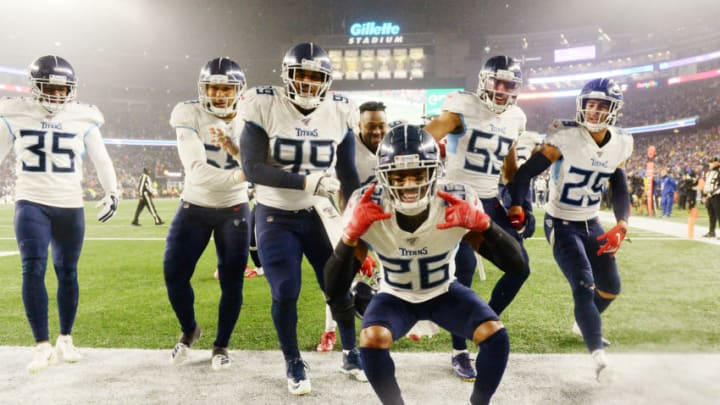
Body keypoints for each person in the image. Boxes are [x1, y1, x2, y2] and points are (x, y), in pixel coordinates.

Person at [323, 125, 525, 405]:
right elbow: (334, 288)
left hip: (444, 292)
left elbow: (516, 266)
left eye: (419, 174)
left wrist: (486, 225)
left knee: (495, 336)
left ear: (435, 172)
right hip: (395, 296)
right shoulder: (368, 203)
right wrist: (349, 237)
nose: (409, 185)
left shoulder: (456, 201)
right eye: (399, 176)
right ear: (383, 176)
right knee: (372, 338)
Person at [240, 42, 363, 395]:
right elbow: (253, 168)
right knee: (285, 290)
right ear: (287, 75)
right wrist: (308, 180)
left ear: (327, 80)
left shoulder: (340, 111)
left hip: (318, 213)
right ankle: (293, 361)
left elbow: (349, 173)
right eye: (301, 75)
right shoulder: (265, 104)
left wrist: (356, 213)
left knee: (338, 288)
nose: (308, 83)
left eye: (316, 77)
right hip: (275, 213)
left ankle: (351, 352)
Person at [507, 78, 633, 381]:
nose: (593, 110)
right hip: (561, 222)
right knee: (583, 286)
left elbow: (619, 186)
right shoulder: (565, 138)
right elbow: (524, 174)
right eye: (590, 103)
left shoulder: (622, 141)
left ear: (614, 110)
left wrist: (622, 223)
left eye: (602, 105)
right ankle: (597, 354)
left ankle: (583, 322)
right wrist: (517, 205)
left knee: (610, 289)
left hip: (591, 222)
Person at [0, 55, 119, 373]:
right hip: (31, 201)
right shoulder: (15, 113)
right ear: (35, 87)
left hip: (69, 203)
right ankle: (41, 345)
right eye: (49, 88)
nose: (56, 95)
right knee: (32, 268)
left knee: (67, 272)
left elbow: (102, 159)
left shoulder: (83, 117)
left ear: (72, 90)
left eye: (62, 89)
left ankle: (65, 338)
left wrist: (113, 191)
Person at [423, 55, 531, 380]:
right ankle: (459, 350)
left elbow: (509, 166)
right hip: (455, 197)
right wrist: (416, 140)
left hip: (487, 199)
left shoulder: (516, 118)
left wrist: (515, 202)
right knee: (464, 271)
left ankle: (482, 322)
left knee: (519, 267)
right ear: (484, 81)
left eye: (509, 85)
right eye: (497, 82)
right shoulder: (462, 106)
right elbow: (432, 131)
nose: (502, 90)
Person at [164, 57, 250, 371]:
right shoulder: (188, 113)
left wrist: (249, 173)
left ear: (238, 91)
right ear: (203, 89)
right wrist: (245, 175)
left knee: (231, 281)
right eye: (213, 87)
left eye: (226, 88)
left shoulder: (252, 115)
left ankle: (221, 345)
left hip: (235, 208)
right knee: (173, 273)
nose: (219, 94)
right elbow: (197, 172)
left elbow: (265, 160)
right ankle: (190, 329)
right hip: (195, 204)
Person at [316, 100, 387, 353]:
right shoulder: (348, 148)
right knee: (339, 279)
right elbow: (346, 194)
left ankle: (404, 320)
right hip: (353, 222)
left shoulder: (392, 147)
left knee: (404, 268)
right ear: (359, 125)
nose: (377, 132)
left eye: (381, 126)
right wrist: (355, 235)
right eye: (371, 126)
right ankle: (329, 331)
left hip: (386, 225)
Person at [702, 155, 720, 237]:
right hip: (709, 196)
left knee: (718, 214)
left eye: (712, 162)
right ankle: (711, 231)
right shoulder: (708, 173)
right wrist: (704, 195)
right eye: (710, 162)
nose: (710, 164)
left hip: (717, 196)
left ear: (717, 163)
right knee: (711, 215)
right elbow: (706, 185)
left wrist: (711, 193)